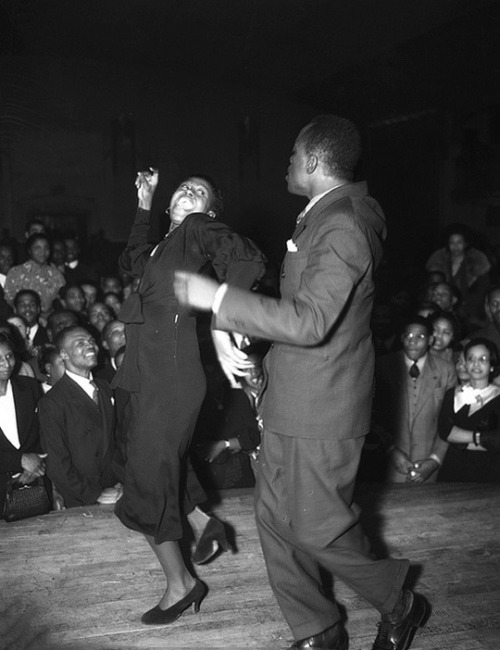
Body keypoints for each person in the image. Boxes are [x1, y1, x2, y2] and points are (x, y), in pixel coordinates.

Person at [174, 115, 427, 650]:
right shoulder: (323, 217)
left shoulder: (345, 223)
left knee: (318, 527)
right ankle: (319, 628)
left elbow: (312, 321)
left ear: (313, 161)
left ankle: (399, 601)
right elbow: (305, 315)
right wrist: (257, 350)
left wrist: (217, 300)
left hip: (324, 408)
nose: (286, 164)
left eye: (292, 155)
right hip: (292, 396)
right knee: (273, 519)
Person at [112, 168, 266, 625]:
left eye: (199, 192)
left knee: (145, 483)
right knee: (149, 464)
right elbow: (131, 260)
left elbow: (248, 259)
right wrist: (144, 202)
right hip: (142, 375)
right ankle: (203, 522)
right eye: (182, 188)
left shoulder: (197, 231)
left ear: (209, 211)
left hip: (171, 378)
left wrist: (224, 321)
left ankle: (182, 585)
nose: (187, 192)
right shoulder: (163, 247)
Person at [38, 326, 120, 507]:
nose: (90, 346)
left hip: (116, 489)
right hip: (84, 499)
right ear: (64, 354)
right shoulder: (53, 402)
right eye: (80, 343)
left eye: (91, 341)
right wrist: (95, 495)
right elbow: (57, 464)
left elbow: (118, 438)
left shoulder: (105, 388)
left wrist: (122, 481)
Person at [374, 316, 456, 484]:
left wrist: (434, 460)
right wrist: (390, 449)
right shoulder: (382, 366)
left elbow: (450, 419)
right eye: (409, 336)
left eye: (420, 337)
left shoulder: (446, 371)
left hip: (428, 467)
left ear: (430, 340)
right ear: (401, 338)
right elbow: (373, 417)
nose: (413, 342)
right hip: (389, 466)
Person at [438, 337, 500, 482]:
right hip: (453, 467)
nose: (476, 364)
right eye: (471, 359)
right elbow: (445, 430)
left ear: (491, 365)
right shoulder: (452, 394)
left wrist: (460, 440)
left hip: (488, 471)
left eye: (483, 359)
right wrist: (481, 438)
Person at [0, 332, 47, 516]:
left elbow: (45, 432)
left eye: (9, 356)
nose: (6, 364)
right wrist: (19, 460)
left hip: (35, 485)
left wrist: (37, 464)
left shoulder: (29, 387)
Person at [426, 224, 490, 333]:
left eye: (459, 242)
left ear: (466, 243)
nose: (455, 247)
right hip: (442, 313)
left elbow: (484, 292)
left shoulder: (478, 265)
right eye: (452, 243)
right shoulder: (438, 264)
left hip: (472, 318)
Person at [3, 233, 65, 320]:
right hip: (24, 319)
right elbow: (10, 300)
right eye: (37, 248)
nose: (43, 252)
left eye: (46, 248)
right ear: (29, 250)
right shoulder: (16, 272)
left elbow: (61, 300)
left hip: (50, 320)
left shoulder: (56, 274)